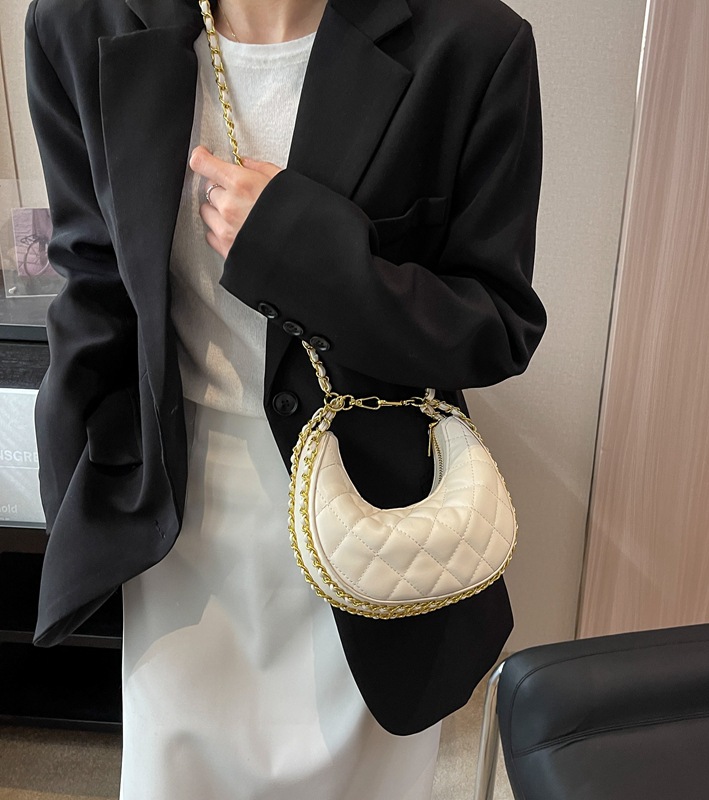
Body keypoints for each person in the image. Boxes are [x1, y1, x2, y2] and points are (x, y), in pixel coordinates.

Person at [24, 0, 546, 797]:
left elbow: (495, 326)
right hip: (175, 524)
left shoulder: (472, 44)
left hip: (377, 528)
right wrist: (72, 494)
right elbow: (94, 281)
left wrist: (301, 250)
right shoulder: (79, 21)